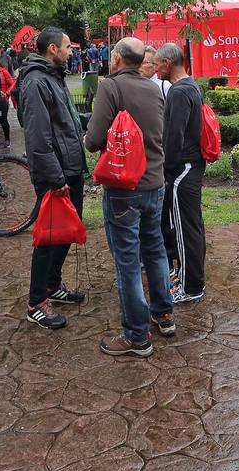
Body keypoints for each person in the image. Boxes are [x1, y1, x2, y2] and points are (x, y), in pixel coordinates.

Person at [84, 37, 174, 357]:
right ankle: (163, 315)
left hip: (125, 189)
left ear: (119, 58)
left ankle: (137, 335)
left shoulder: (111, 87)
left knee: (128, 262)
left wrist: (88, 135)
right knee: (156, 251)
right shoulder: (155, 88)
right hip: (155, 184)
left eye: (111, 55)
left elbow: (94, 141)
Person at [17, 28, 88, 330]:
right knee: (48, 238)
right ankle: (37, 302)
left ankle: (52, 285)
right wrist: (54, 176)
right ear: (52, 50)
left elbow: (66, 121)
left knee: (66, 232)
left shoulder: (53, 76)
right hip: (56, 174)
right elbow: (37, 137)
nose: (72, 52)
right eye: (67, 47)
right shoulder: (35, 82)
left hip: (69, 168)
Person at [155, 43, 207, 304]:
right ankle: (188, 277)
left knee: (185, 230)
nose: (155, 69)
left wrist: (168, 167)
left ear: (167, 62)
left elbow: (173, 136)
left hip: (183, 167)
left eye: (157, 64)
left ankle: (191, 286)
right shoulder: (191, 85)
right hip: (191, 165)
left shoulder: (178, 92)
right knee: (192, 225)